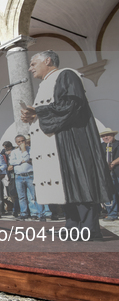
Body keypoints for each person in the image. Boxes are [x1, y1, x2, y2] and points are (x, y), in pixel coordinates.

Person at [22, 50, 113, 240]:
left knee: (80, 185)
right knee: (66, 189)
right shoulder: (45, 84)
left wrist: (38, 112)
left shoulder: (66, 75)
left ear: (47, 60)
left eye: (32, 63)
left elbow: (71, 105)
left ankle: (88, 230)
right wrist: (34, 115)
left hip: (72, 142)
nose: (30, 68)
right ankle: (73, 227)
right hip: (57, 145)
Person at [9, 135, 45, 221]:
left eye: (22, 141)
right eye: (19, 142)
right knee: (21, 197)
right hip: (19, 177)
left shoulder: (30, 149)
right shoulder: (14, 152)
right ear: (16, 143)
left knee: (34, 196)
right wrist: (21, 161)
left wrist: (24, 150)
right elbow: (12, 162)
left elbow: (28, 158)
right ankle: (23, 213)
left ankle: (40, 214)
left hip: (29, 175)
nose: (21, 143)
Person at [100, 128, 119, 221]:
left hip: (117, 171)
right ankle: (112, 213)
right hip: (106, 174)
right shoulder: (100, 146)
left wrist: (113, 163)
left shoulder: (118, 144)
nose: (105, 137)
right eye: (103, 136)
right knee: (110, 193)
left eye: (108, 135)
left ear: (113, 135)